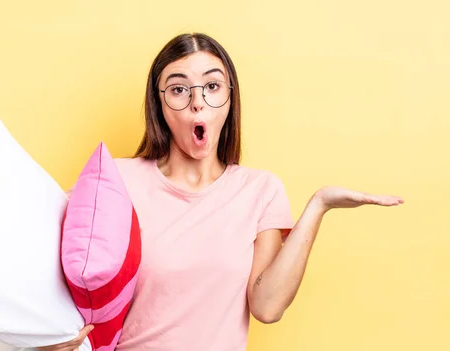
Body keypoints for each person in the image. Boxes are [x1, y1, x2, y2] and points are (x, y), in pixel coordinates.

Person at [35, 32, 404, 351]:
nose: (198, 102)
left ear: (230, 97)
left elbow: (267, 306)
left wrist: (319, 204)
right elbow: (49, 268)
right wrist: (45, 335)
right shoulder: (116, 180)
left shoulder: (260, 190)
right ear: (159, 104)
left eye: (212, 86)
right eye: (179, 89)